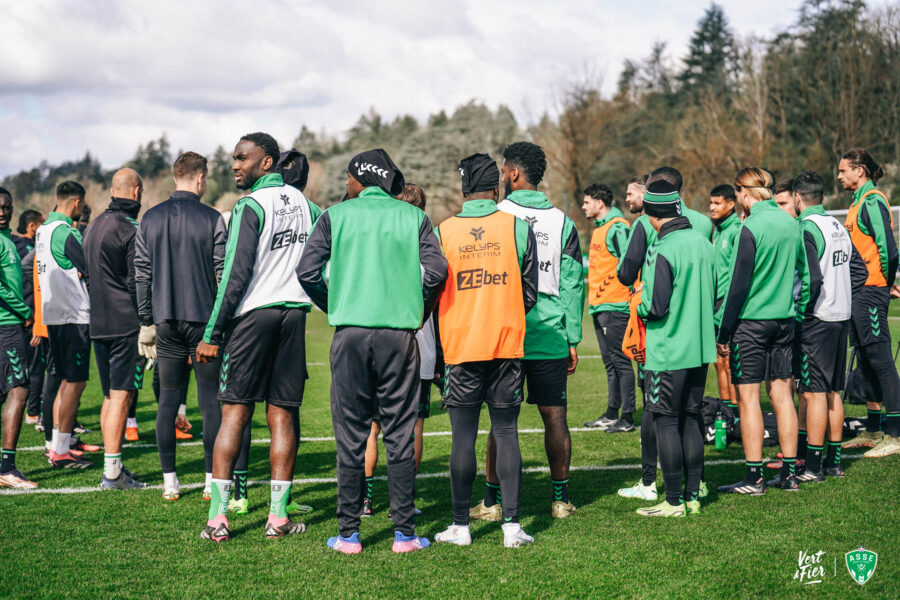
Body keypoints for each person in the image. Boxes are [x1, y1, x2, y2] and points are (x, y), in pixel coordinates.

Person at [298, 148, 447, 554]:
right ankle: (404, 535)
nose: (345, 184)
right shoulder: (415, 218)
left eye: (348, 178)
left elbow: (306, 271)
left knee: (351, 435)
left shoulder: (335, 216)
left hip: (350, 334)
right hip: (400, 335)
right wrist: (419, 311)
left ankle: (348, 534)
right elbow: (437, 272)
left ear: (360, 180)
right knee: (400, 433)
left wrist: (337, 304)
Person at [198, 133, 320, 542]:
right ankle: (278, 518)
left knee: (234, 413)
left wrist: (212, 333)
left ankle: (218, 519)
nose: (235, 165)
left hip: (254, 318)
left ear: (266, 163)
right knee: (282, 414)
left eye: (242, 158)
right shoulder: (308, 205)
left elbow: (235, 274)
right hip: (294, 317)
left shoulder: (249, 205)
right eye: (234, 158)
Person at [472, 141, 583, 521]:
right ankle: (560, 500)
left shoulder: (496, 214)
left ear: (513, 174)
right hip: (550, 332)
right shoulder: (562, 220)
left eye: (504, 170)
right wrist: (572, 337)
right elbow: (572, 282)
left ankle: (491, 502)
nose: (501, 176)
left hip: (506, 331)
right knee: (555, 417)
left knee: (502, 421)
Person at [433, 153, 538, 547]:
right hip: (506, 343)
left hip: (460, 345)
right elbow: (530, 292)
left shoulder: (443, 231)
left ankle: (461, 527)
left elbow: (431, 289)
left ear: (463, 189)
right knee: (507, 432)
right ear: (495, 188)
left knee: (462, 438)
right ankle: (511, 527)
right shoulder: (517, 226)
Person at [135, 151, 227, 502]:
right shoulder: (213, 217)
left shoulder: (151, 218)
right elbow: (223, 272)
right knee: (209, 401)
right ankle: (208, 480)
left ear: (177, 176)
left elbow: (141, 273)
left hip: (166, 319)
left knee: (168, 400)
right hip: (204, 321)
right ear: (200, 178)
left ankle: (170, 481)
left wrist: (146, 320)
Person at [717, 167, 806, 494]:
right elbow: (806, 275)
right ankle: (790, 475)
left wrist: (724, 333)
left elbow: (737, 287)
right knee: (783, 397)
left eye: (737, 192)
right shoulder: (790, 223)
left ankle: (754, 478)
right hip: (785, 321)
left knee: (749, 400)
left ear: (743, 192)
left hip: (751, 324)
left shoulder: (749, 226)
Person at [633, 180, 716, 517]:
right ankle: (693, 497)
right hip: (700, 348)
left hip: (668, 349)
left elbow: (655, 306)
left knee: (666, 422)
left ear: (652, 215)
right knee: (691, 419)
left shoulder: (662, 246)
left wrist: (636, 304)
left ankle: (672, 501)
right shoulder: (702, 241)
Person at [361, 183, 440, 518]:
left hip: (377, 344)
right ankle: (402, 502)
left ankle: (364, 500)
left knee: (372, 427)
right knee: (412, 428)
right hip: (420, 349)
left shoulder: (381, 245)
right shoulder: (430, 246)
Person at [791, 171, 866, 481]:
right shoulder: (837, 224)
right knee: (834, 391)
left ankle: (812, 466)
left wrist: (803, 312)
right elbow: (859, 270)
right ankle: (834, 463)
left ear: (797, 198)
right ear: (820, 197)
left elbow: (812, 279)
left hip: (817, 319)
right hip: (839, 317)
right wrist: (843, 297)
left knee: (813, 394)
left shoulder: (806, 228)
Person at [83, 168, 148, 489]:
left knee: (110, 395)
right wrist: (147, 321)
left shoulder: (93, 226)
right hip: (124, 323)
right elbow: (138, 282)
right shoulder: (128, 228)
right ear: (135, 191)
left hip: (98, 320)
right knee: (121, 396)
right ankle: (112, 473)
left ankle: (114, 466)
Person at [838, 149, 900, 457]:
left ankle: (895, 435)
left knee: (882, 362)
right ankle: (874, 430)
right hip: (859, 293)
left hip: (870, 292)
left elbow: (889, 250)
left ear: (860, 171)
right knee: (865, 361)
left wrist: (883, 285)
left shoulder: (873, 200)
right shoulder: (856, 203)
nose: (839, 176)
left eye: (843, 170)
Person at [36, 181, 93, 469]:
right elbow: (89, 265)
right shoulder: (66, 232)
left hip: (54, 315)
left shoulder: (42, 230)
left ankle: (56, 445)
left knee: (61, 381)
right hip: (73, 315)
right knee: (75, 382)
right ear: (76, 202)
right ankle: (60, 450)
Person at [581, 183, 635, 432]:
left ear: (599, 203)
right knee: (609, 362)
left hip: (616, 305)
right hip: (600, 306)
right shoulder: (600, 229)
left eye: (586, 202)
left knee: (621, 362)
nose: (583, 206)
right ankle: (612, 413)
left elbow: (631, 263)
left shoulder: (618, 228)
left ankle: (628, 417)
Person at [0, 188, 38, 489]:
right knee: (20, 388)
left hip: (10, 323)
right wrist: (25, 310)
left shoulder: (8, 240)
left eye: (7, 207)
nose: (2, 212)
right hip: (7, 325)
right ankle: (8, 467)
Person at [12, 207, 44, 425]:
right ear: (32, 226)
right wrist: (31, 317)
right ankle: (33, 412)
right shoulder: (27, 249)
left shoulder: (13, 245)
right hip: (27, 316)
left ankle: (34, 409)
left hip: (17, 316)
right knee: (34, 367)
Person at [710, 184, 740, 411]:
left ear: (731, 204)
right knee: (718, 363)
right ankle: (726, 413)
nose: (712, 207)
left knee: (730, 363)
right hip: (714, 306)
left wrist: (724, 311)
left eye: (717, 203)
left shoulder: (736, 231)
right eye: (711, 203)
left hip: (727, 308)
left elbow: (735, 277)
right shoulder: (717, 230)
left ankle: (739, 416)